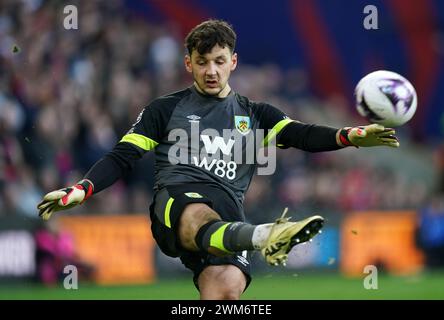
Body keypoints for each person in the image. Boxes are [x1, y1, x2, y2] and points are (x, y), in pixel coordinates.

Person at [37, 19, 399, 300]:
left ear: (233, 62)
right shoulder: (164, 109)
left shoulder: (256, 113)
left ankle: (257, 236)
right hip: (177, 202)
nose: (211, 70)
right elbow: (122, 157)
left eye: (219, 61)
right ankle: (267, 235)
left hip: (230, 220)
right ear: (188, 64)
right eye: (202, 62)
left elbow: (301, 134)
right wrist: (81, 189)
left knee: (225, 292)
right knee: (198, 216)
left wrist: (350, 136)